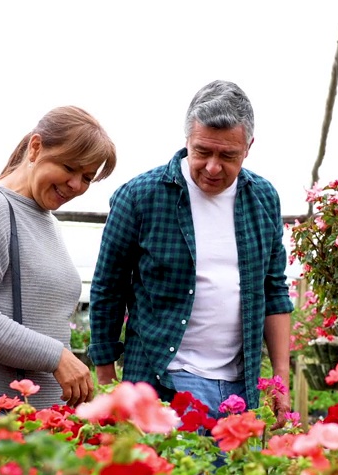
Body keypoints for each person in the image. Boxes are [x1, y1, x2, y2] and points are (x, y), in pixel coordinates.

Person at [88, 80, 292, 414]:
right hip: (162, 382)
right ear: (187, 140)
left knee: (237, 468)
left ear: (249, 146)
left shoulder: (263, 198)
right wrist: (109, 381)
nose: (213, 167)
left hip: (241, 387)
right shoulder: (141, 196)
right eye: (202, 151)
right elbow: (108, 287)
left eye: (228, 155)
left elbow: (274, 289)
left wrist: (279, 381)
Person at [0, 106, 116, 410]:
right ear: (36, 147)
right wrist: (57, 356)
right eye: (69, 167)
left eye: (87, 177)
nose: (77, 185)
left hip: (29, 422)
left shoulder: (48, 222)